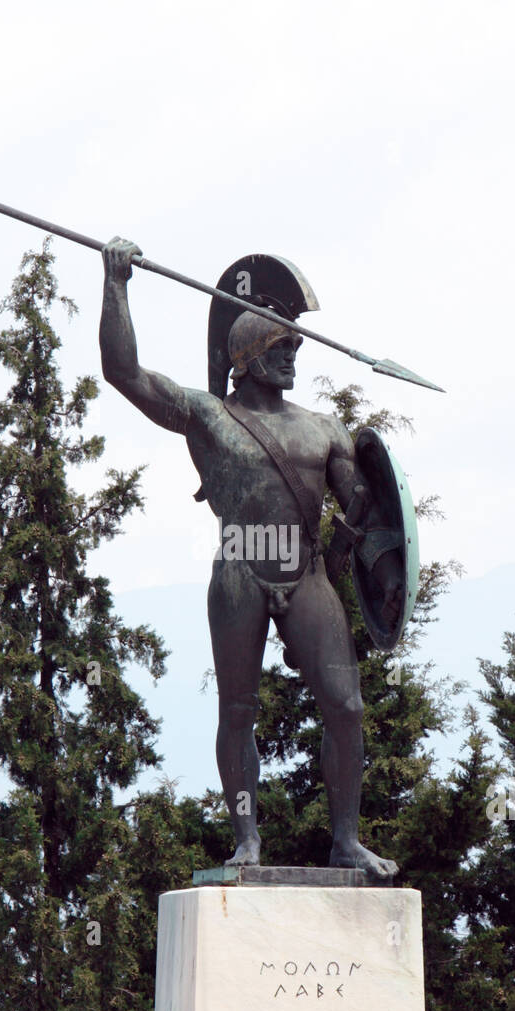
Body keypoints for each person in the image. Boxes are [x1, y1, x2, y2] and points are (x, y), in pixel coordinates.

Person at [100, 238, 399, 882]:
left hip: (306, 569)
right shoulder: (208, 416)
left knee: (346, 705)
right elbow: (124, 373)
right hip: (241, 567)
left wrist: (380, 563)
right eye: (281, 347)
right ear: (248, 355)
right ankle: (246, 840)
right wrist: (116, 283)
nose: (293, 356)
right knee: (238, 710)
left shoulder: (324, 429)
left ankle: (346, 841)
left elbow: (367, 517)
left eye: (295, 347)